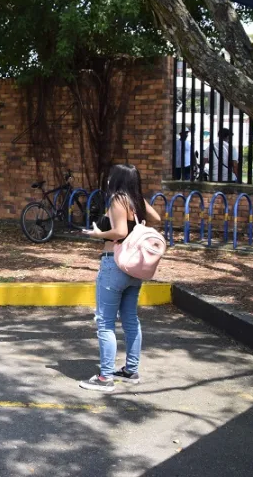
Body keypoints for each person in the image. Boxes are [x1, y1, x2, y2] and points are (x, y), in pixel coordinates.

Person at [80, 164, 162, 393]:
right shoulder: (136, 200)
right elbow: (156, 218)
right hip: (134, 269)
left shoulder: (118, 199)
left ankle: (105, 378)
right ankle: (130, 371)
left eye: (110, 177)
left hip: (114, 264)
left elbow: (120, 232)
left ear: (116, 179)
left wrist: (98, 234)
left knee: (105, 322)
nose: (108, 180)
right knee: (130, 319)